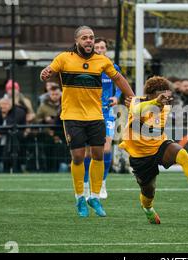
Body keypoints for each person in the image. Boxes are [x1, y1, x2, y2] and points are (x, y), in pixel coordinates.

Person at [40, 26, 135, 218]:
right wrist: (45, 72)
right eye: (85, 38)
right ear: (77, 41)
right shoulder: (64, 58)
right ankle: (79, 197)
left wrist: (131, 96)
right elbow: (50, 70)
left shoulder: (102, 61)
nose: (89, 41)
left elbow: (119, 79)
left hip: (96, 115)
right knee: (77, 157)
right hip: (72, 116)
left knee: (99, 154)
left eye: (91, 38)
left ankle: (95, 197)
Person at [119, 76, 188, 224]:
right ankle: (148, 209)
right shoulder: (136, 101)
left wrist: (159, 103)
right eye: (161, 94)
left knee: (182, 153)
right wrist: (154, 102)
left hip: (159, 145)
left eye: (167, 93)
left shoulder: (165, 106)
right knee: (148, 191)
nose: (165, 97)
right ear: (151, 93)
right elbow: (137, 109)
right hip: (140, 155)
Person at [83, 37, 123, 200]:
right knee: (87, 152)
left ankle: (102, 184)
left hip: (106, 113)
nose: (99, 50)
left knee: (106, 148)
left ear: (106, 50)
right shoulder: (86, 66)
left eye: (102, 47)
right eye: (96, 47)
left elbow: (121, 84)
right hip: (88, 113)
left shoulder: (112, 67)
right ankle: (86, 185)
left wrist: (117, 97)